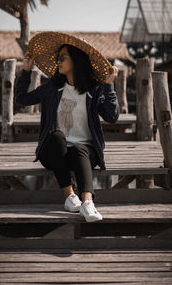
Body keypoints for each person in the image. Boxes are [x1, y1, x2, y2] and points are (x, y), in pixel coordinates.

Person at [15, 32, 119, 222]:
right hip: (56, 154)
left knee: (80, 148)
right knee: (56, 137)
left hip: (86, 154)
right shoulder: (52, 88)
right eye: (57, 57)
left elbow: (112, 117)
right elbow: (22, 99)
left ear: (76, 60)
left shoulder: (94, 89)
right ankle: (70, 196)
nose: (58, 60)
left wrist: (109, 86)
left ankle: (87, 203)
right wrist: (26, 71)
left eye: (63, 57)